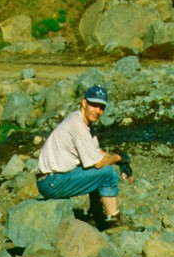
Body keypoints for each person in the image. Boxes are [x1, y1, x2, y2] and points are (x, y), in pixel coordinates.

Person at [36, 85, 134, 231]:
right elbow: (99, 164)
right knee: (107, 173)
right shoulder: (77, 126)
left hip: (53, 178)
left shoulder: (82, 122)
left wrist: (121, 160)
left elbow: (97, 152)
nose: (98, 111)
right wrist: (118, 158)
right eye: (94, 105)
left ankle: (96, 215)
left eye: (101, 107)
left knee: (97, 171)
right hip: (52, 182)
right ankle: (113, 221)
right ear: (84, 103)